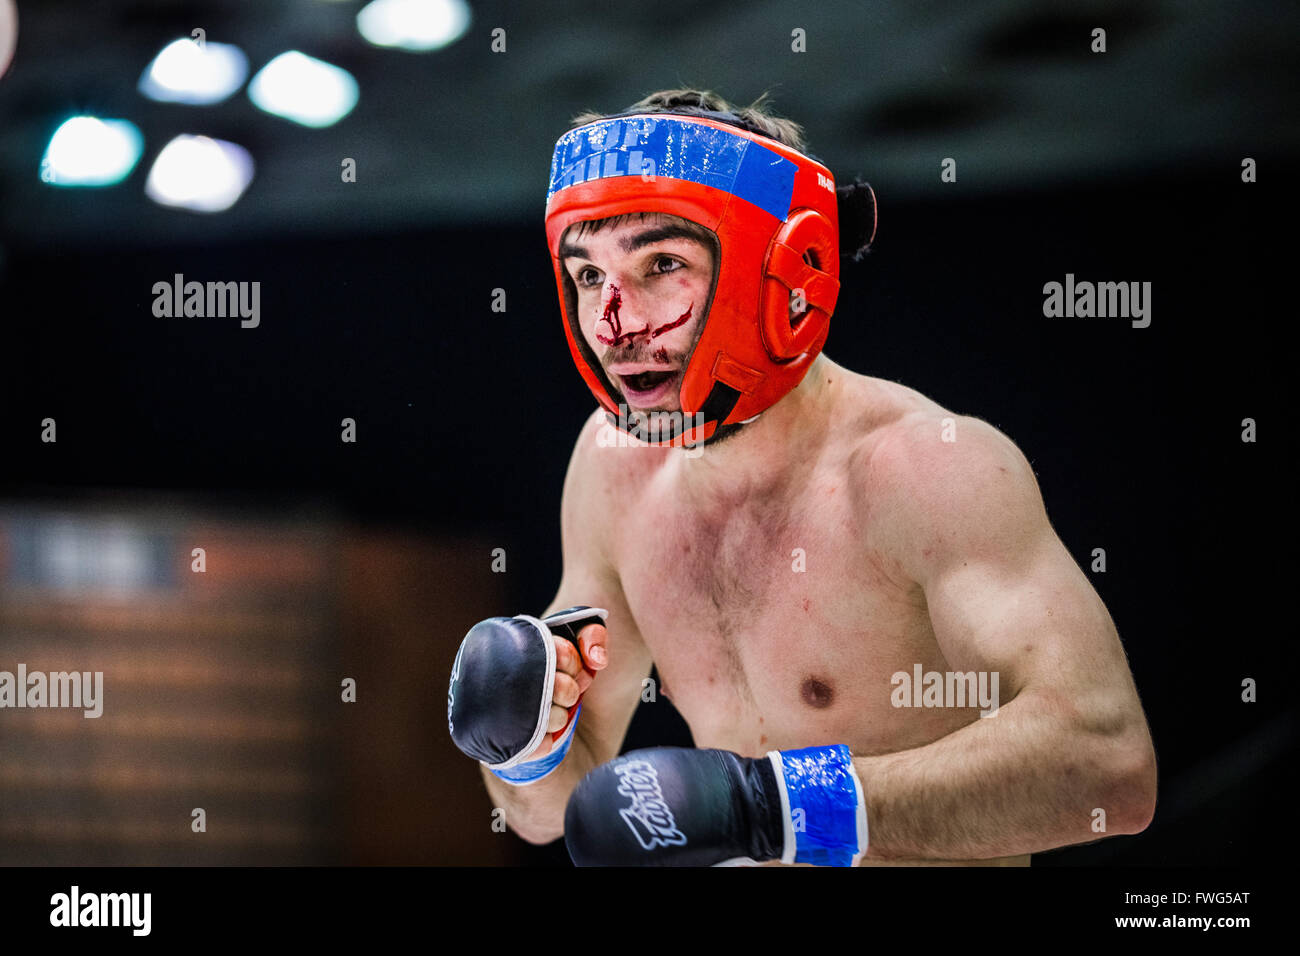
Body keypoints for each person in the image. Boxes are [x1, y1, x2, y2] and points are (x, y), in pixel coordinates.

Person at [448, 89, 1157, 866]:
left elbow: (1109, 766)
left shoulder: (924, 467)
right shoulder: (614, 466)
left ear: (783, 275)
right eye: (589, 277)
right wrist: (523, 749)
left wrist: (768, 806)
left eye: (661, 264)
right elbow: (549, 815)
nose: (616, 322)